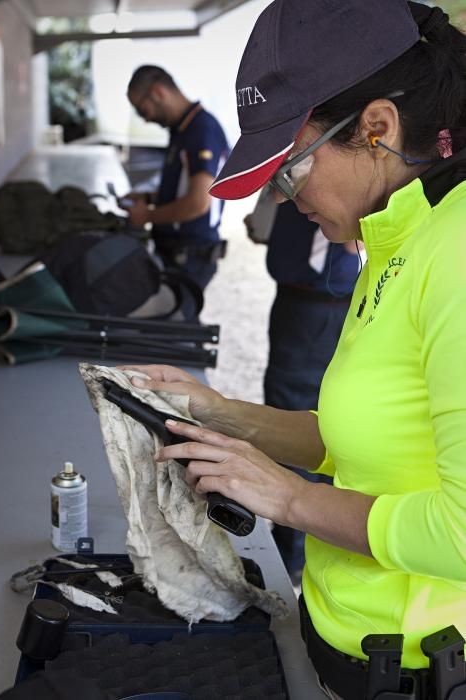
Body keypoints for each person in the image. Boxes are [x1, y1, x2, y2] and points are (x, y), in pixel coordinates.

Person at [120, 1, 466, 697]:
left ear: (377, 128)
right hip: (345, 651)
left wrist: (288, 499)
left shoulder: (454, 253)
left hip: (419, 673)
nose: (283, 198)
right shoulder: (391, 239)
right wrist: (217, 412)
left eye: (289, 169)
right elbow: (365, 446)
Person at [245, 197, 360, 584]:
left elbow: (356, 235)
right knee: (298, 412)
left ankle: (295, 554)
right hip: (303, 300)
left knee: (300, 422)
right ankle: (301, 547)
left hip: (320, 304)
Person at [123, 65, 229, 318]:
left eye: (142, 109)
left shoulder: (201, 130)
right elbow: (183, 189)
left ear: (158, 92)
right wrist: (149, 199)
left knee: (175, 330)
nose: (145, 118)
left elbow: (198, 202)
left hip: (190, 256)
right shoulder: (181, 130)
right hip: (175, 253)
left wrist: (145, 217)